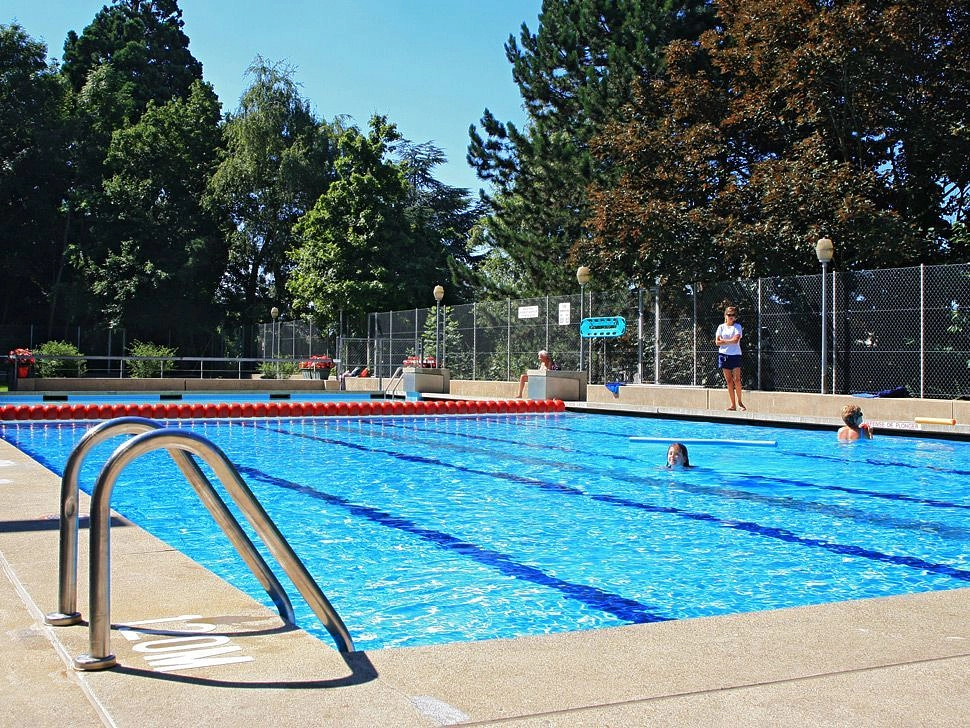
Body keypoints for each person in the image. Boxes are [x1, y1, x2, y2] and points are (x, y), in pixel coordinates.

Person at [715, 305, 746, 411]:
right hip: (723, 355)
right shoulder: (721, 327)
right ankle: (733, 405)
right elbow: (717, 342)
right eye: (729, 315)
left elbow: (736, 340)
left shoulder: (737, 327)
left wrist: (724, 341)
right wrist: (729, 341)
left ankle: (740, 403)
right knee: (729, 381)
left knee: (737, 379)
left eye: (733, 315)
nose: (731, 316)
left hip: (735, 355)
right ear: (725, 315)